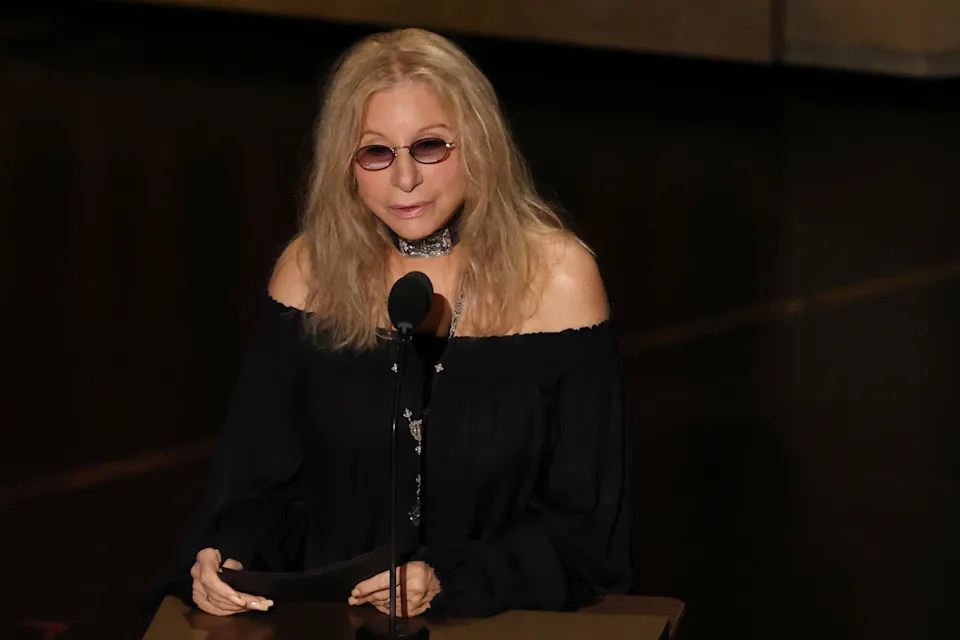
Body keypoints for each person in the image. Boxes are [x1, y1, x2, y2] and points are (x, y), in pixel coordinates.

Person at [179, 27, 630, 620]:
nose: (405, 179)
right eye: (376, 152)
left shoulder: (559, 278)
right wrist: (230, 555)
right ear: (346, 166)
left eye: (430, 146)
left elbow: (587, 525)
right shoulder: (308, 271)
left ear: (480, 145)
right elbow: (262, 485)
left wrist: (449, 580)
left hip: (498, 621)